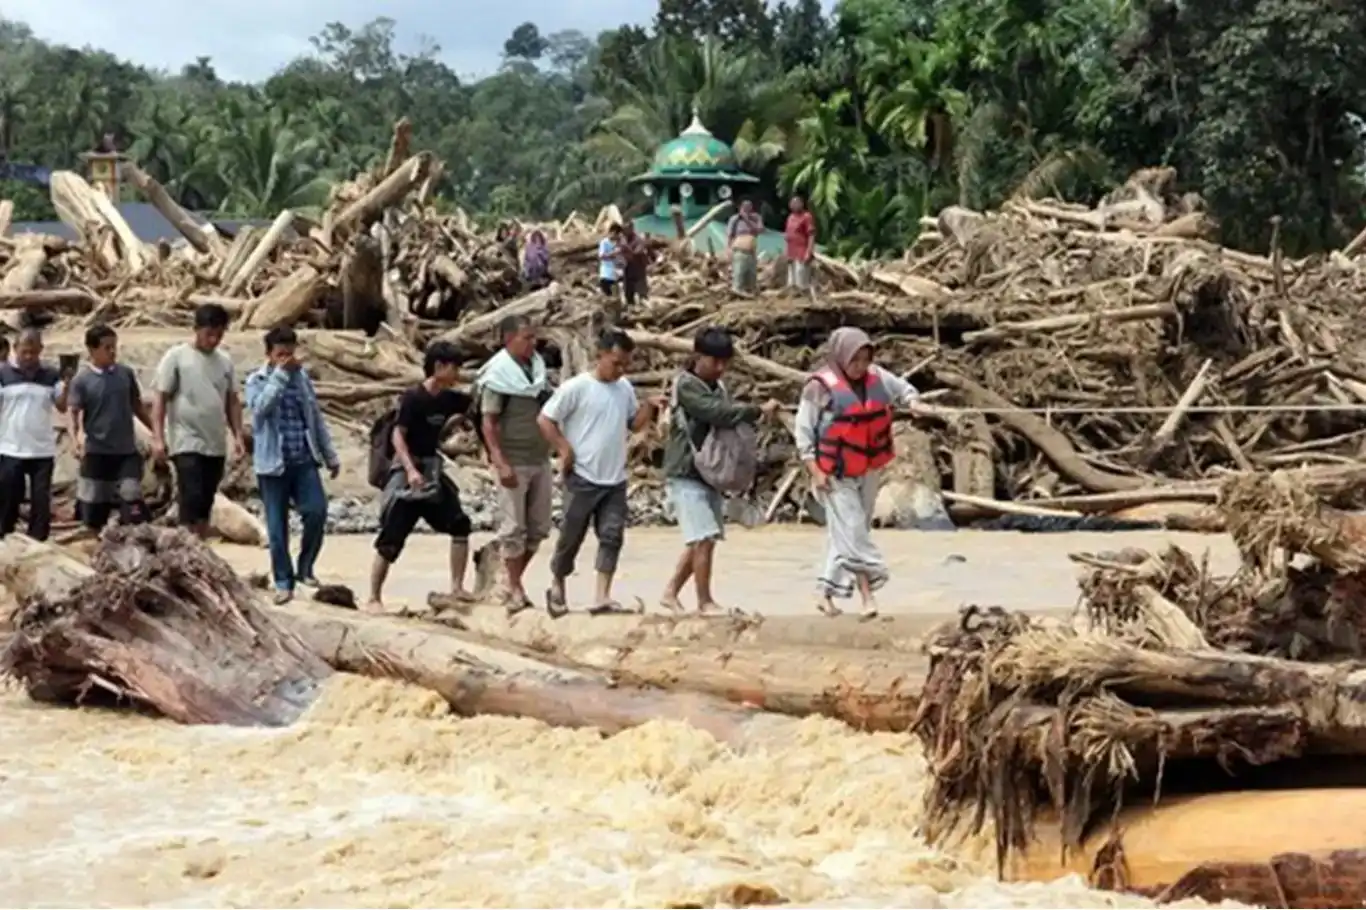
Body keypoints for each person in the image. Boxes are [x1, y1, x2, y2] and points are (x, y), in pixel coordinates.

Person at [795, 327, 924, 618]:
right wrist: (815, 470)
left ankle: (824, 592)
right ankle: (868, 595)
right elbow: (803, 433)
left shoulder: (877, 377)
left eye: (865, 360)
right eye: (855, 360)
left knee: (850, 531)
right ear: (841, 357)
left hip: (867, 468)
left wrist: (914, 403)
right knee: (852, 530)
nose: (860, 366)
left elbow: (903, 390)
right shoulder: (818, 388)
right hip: (834, 472)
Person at [538, 328, 662, 617]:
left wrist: (649, 407)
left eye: (625, 364)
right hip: (582, 475)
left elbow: (634, 424)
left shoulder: (624, 388)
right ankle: (557, 584)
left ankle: (602, 595)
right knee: (571, 535)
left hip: (614, 477)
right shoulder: (576, 388)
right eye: (616, 363)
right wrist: (564, 449)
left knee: (612, 535)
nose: (621, 370)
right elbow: (545, 419)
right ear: (601, 355)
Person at [660, 327, 779, 613]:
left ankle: (670, 592)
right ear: (698, 357)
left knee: (705, 538)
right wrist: (756, 411)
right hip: (686, 471)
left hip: (708, 472)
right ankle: (705, 602)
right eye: (715, 362)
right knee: (703, 538)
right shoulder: (686, 386)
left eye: (725, 362)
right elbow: (717, 413)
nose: (721, 368)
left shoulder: (717, 387)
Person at [369, 341, 475, 613]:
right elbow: (398, 435)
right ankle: (373, 597)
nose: (458, 373)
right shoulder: (413, 398)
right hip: (410, 471)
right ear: (438, 367)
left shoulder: (450, 399)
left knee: (460, 524)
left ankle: (457, 586)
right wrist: (410, 470)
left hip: (433, 471)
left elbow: (476, 404)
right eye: (454, 367)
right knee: (391, 538)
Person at [244, 326, 340, 605]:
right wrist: (280, 376)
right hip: (272, 464)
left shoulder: (303, 380)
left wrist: (330, 455)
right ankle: (283, 581)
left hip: (303, 459)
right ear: (269, 355)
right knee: (277, 529)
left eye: (290, 353)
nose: (286, 359)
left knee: (316, 512)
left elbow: (315, 418)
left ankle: (305, 568)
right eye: (280, 354)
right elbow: (260, 409)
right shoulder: (257, 380)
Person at [478, 314, 553, 613]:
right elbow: (488, 422)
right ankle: (514, 587)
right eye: (526, 337)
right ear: (509, 339)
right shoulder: (498, 375)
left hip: (540, 457)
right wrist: (499, 461)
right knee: (513, 529)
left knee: (539, 527)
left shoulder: (537, 370)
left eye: (534, 337)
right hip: (513, 459)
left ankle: (512, 581)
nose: (532, 343)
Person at [152, 303, 245, 538]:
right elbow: (160, 398)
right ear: (196, 329)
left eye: (219, 335)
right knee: (190, 496)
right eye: (209, 334)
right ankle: (185, 542)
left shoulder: (225, 361)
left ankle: (199, 544)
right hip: (186, 439)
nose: (213, 340)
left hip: (215, 442)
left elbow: (232, 401)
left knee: (206, 501)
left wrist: (238, 435)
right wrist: (158, 438)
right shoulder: (176, 357)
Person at [68, 325, 151, 532]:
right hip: (97, 451)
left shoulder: (125, 374)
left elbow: (137, 406)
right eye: (107, 347)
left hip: (126, 451)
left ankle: (135, 539)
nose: (113, 351)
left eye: (114, 346)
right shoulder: (82, 380)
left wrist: (156, 433)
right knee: (94, 510)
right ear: (92, 349)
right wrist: (74, 440)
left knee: (132, 496)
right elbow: (73, 413)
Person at [0, 328, 69, 541]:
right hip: (11, 447)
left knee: (41, 499)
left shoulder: (51, 375)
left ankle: (38, 540)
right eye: (25, 352)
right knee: (8, 496)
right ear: (15, 349)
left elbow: (62, 407)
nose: (29, 357)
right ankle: (4, 536)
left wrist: (67, 384)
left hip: (41, 449)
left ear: (41, 350)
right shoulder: (3, 374)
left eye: (34, 352)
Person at [726, 200, 764, 294]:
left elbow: (759, 230)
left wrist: (746, 219)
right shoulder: (735, 219)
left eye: (749, 206)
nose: (747, 209)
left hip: (751, 251)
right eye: (744, 206)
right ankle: (737, 290)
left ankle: (750, 290)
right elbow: (730, 235)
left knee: (751, 274)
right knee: (739, 272)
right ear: (740, 208)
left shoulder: (756, 218)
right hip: (739, 250)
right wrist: (728, 249)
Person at [784, 195, 816, 291]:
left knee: (801, 280)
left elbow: (811, 235)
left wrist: (809, 252)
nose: (794, 205)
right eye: (792, 203)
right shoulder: (790, 217)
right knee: (791, 282)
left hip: (802, 252)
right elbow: (788, 237)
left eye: (797, 203)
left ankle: (803, 296)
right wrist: (787, 253)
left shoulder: (806, 217)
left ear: (802, 204)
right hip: (791, 252)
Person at [619, 222, 650, 309]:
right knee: (628, 293)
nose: (624, 231)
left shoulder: (638, 239)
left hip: (638, 269)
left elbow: (637, 252)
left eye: (626, 229)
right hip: (628, 269)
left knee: (642, 292)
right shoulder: (623, 240)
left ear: (631, 229)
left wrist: (627, 249)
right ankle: (630, 308)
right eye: (623, 229)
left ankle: (644, 308)